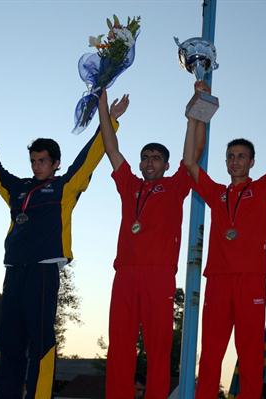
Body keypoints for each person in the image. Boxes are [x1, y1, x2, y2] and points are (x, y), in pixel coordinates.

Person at [0, 97, 128, 399]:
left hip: (43, 271)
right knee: (9, 343)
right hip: (14, 271)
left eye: (43, 161)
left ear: (55, 163)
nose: (37, 166)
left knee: (41, 341)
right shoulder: (18, 189)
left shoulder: (64, 187)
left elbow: (89, 159)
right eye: (33, 161)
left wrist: (109, 122)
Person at [183, 82, 266, 399]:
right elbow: (190, 163)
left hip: (251, 281)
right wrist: (193, 115)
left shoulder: (262, 190)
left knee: (251, 355)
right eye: (230, 156)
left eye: (241, 156)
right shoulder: (217, 194)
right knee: (211, 355)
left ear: (251, 162)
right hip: (217, 281)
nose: (235, 161)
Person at [97, 85, 206, 399]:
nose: (148, 162)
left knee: (158, 347)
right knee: (119, 345)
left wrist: (193, 115)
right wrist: (103, 105)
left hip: (158, 276)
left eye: (156, 158)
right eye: (145, 158)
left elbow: (195, 152)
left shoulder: (175, 187)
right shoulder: (129, 185)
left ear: (166, 165)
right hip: (126, 275)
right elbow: (111, 148)